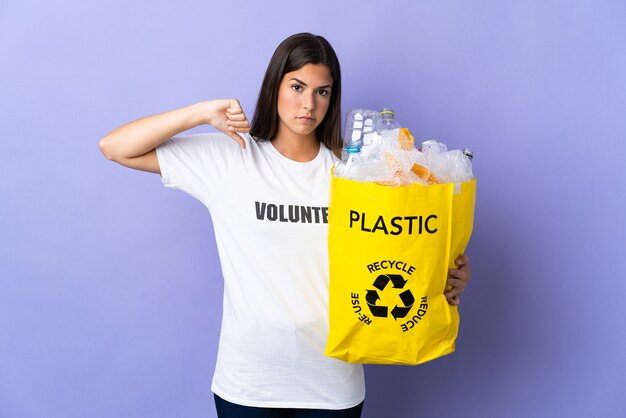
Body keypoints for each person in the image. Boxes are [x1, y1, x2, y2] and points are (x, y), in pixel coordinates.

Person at [99, 32, 471, 418]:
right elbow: (115, 147)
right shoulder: (231, 160)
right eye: (297, 87)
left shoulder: (356, 175)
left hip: (332, 382)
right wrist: (201, 112)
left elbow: (402, 251)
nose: (308, 104)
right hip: (249, 382)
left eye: (322, 92)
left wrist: (450, 274)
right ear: (274, 86)